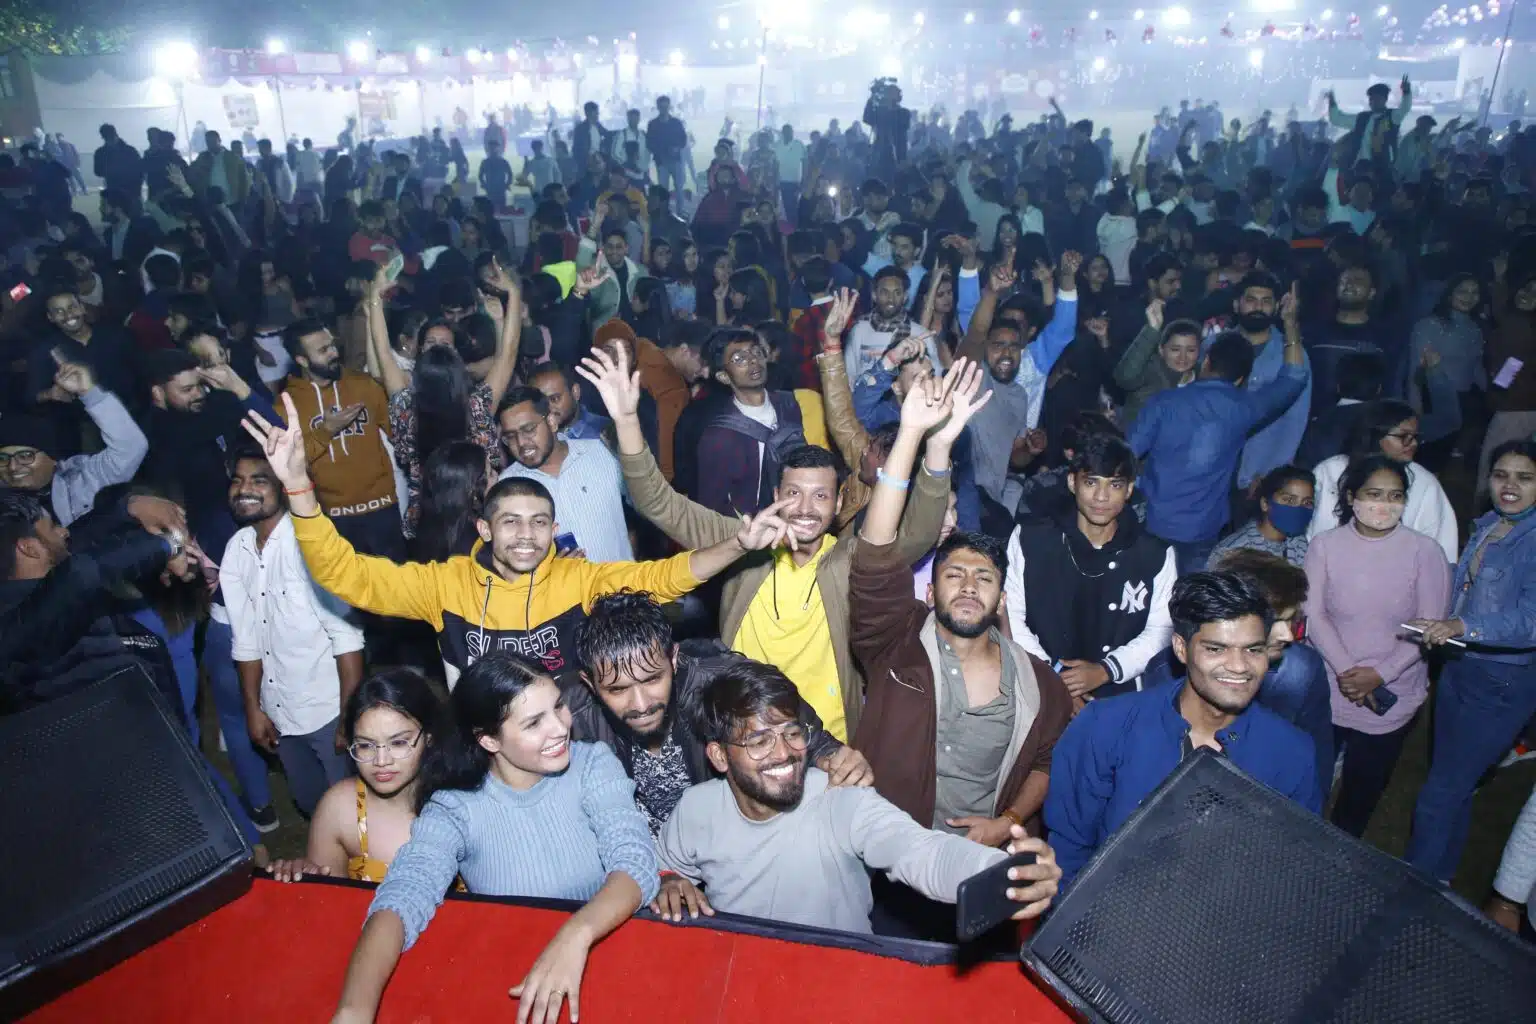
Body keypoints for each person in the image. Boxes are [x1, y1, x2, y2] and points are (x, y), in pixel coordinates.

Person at [242, 393, 794, 691]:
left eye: (538, 523)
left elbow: (662, 577)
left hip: (569, 739)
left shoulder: (577, 580)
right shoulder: (446, 586)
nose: (526, 536)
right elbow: (346, 575)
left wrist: (738, 544)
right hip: (485, 752)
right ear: (484, 529)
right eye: (510, 522)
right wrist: (298, 487)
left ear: (553, 530)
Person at [579, 344, 943, 744]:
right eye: (794, 494)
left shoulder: (849, 559)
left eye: (821, 496)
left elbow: (919, 534)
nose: (805, 508)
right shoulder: (744, 543)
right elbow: (658, 502)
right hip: (742, 737)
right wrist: (627, 419)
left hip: (830, 741)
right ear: (775, 494)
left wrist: (939, 448)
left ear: (839, 503)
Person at [328, 653, 657, 1024]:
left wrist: (576, 935)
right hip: (516, 979)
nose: (560, 727)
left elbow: (635, 864)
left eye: (558, 706)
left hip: (613, 953)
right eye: (534, 722)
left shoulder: (592, 764)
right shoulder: (456, 806)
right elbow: (403, 896)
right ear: (488, 740)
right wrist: (353, 1011)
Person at [652, 660, 1062, 933]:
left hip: (840, 980)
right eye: (759, 741)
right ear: (719, 756)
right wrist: (669, 882)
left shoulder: (840, 800)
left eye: (792, 733)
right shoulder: (696, 810)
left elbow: (919, 851)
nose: (784, 753)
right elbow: (664, 866)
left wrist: (1004, 873)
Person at [849, 360, 1073, 841]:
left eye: (983, 578)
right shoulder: (895, 645)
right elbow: (874, 555)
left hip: (978, 863)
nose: (969, 585)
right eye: (955, 575)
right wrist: (917, 437)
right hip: (884, 853)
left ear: (1001, 599)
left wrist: (1008, 823)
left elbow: (1046, 760)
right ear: (930, 593)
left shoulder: (1038, 683)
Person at [1045, 571, 1322, 888]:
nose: (1239, 666)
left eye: (1253, 650)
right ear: (1181, 647)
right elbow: (1068, 851)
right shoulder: (1105, 726)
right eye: (1216, 649)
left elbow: (1293, 867)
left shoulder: (1292, 754)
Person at [568, 591, 869, 836]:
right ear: (589, 683)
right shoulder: (567, 719)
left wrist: (833, 756)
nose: (641, 703)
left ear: (673, 659)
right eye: (618, 689)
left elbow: (803, 732)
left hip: (728, 850)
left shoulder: (721, 681)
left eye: (652, 680)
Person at [1405, 441, 1536, 882]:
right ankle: (1438, 882)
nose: (1509, 486)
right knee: (1454, 787)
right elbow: (1470, 591)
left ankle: (1408, 894)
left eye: (1525, 477)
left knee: (1438, 795)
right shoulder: (1493, 524)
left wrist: (1461, 625)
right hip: (1462, 666)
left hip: (1502, 682)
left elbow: (1531, 622)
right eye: (1501, 475)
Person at [1304, 455, 1450, 837]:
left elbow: (1429, 627)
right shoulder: (1325, 546)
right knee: (1311, 780)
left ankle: (1341, 853)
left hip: (1393, 691)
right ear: (1351, 496)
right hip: (1331, 684)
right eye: (1374, 494)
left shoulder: (1425, 552)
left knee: (1362, 790)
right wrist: (1348, 673)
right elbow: (1314, 615)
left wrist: (1379, 675)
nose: (1384, 505)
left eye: (1395, 495)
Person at [223, 444, 365, 819]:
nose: (244, 489)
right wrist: (253, 709)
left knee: (351, 811)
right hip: (280, 712)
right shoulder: (237, 550)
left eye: (259, 480)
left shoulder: (312, 546)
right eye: (237, 480)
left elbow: (347, 638)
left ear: (284, 487)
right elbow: (246, 641)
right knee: (309, 803)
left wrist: (349, 717)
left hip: (326, 710)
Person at [1130, 300, 1309, 575]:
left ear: (1207, 361)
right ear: (1241, 378)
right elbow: (1294, 377)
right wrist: (1290, 324)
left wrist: (1144, 485)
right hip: (1204, 529)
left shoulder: (1163, 403)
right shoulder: (1245, 408)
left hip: (1155, 523)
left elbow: (1126, 455)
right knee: (1193, 596)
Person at [1004, 433, 1176, 701]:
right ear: (1072, 482)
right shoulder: (1030, 539)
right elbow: (1010, 615)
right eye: (1091, 482)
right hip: (1038, 680)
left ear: (1129, 489)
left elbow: (1160, 630)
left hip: (1119, 690)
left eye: (1115, 485)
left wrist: (1105, 670)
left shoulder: (1155, 555)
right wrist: (1056, 678)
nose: (1101, 497)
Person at [265, 669, 443, 884]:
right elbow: (328, 895)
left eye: (398, 742)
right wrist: (303, 875)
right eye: (365, 745)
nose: (381, 760)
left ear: (429, 738)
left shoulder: (461, 806)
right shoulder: (340, 808)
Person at [277, 317, 401, 559]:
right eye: (323, 350)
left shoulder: (364, 385)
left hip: (383, 509)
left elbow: (399, 435)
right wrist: (325, 431)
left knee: (395, 580)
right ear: (302, 360)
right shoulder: (287, 406)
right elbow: (291, 466)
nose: (334, 353)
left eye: (332, 345)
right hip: (333, 520)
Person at [1307, 399, 1460, 563]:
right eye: (1403, 437)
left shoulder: (1424, 482)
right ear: (1375, 435)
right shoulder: (1329, 471)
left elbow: (1442, 548)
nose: (1413, 444)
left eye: (1415, 437)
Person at [0, 356, 146, 526]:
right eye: (2, 458)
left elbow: (130, 447)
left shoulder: (84, 478)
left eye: (25, 456)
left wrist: (90, 394)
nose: (13, 467)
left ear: (53, 458)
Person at [496, 386, 632, 563]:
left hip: (624, 579)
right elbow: (509, 560)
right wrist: (548, 568)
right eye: (510, 436)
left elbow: (645, 505)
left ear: (551, 422)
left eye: (528, 429)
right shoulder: (507, 486)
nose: (521, 443)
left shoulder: (601, 454)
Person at [1113, 299, 1201, 430]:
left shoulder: (1203, 378)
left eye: (1191, 350)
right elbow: (1124, 377)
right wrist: (1152, 329)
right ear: (1161, 349)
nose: (1183, 357)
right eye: (1175, 349)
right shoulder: (1150, 369)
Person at [1208, 465, 1316, 568]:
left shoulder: (1298, 543)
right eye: (1289, 500)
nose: (1298, 508)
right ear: (1265, 504)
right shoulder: (1234, 553)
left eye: (1307, 502)